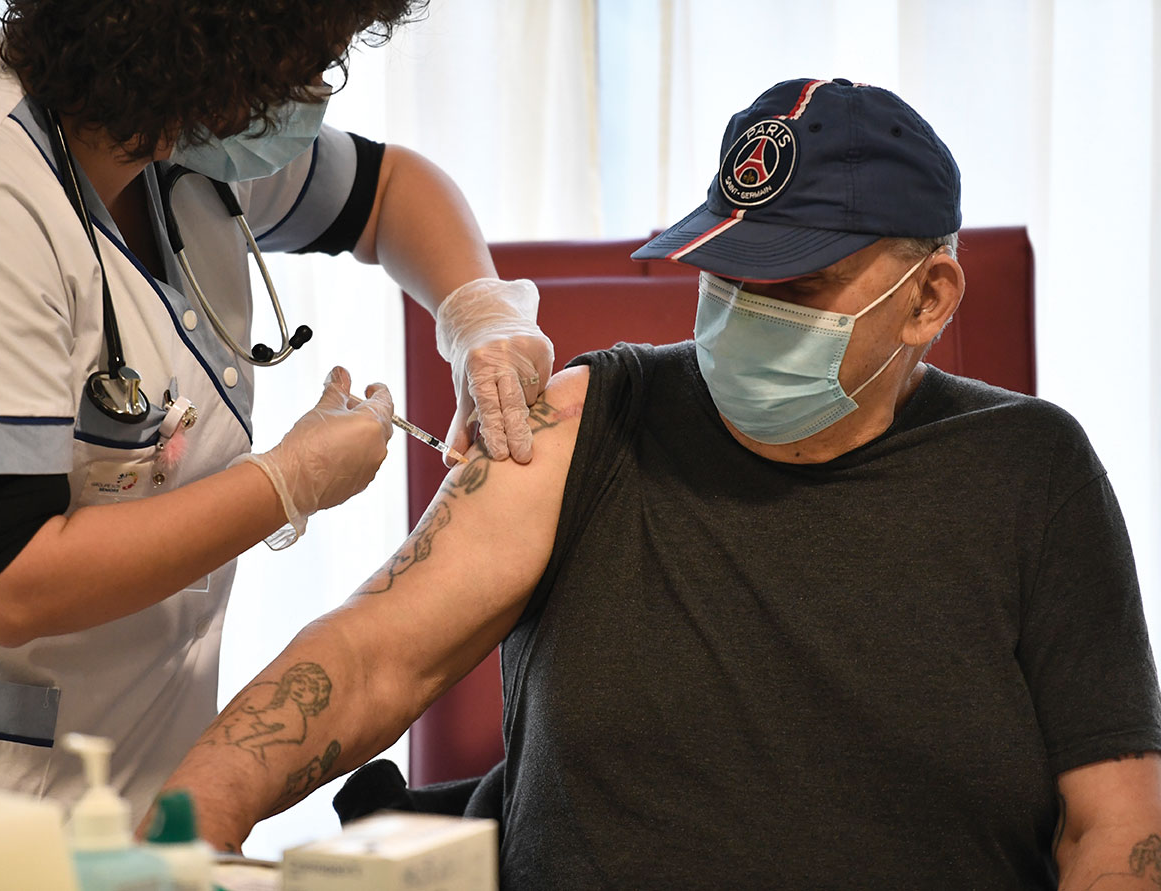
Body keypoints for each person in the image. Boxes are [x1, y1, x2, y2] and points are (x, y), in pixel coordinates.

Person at [158, 79, 1161, 889]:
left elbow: (1115, 828)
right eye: (727, 277)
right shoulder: (593, 418)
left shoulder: (1032, 471)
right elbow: (373, 657)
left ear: (927, 298)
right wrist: (190, 825)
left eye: (795, 287)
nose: (742, 314)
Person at [0, 0, 554, 821]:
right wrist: (289, 481)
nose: (317, 91)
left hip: (139, 774)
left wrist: (482, 317)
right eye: (307, 63)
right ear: (202, 60)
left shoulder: (169, 136)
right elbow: (12, 580)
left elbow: (389, 193)